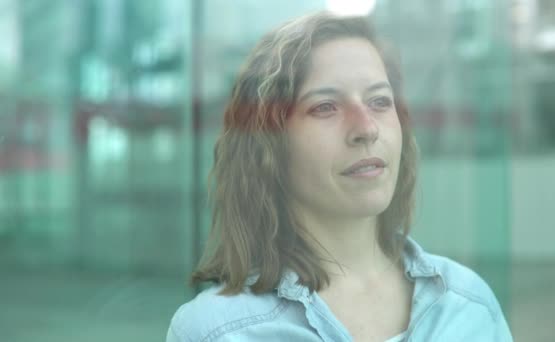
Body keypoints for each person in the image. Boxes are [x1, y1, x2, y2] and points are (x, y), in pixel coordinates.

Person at [166, 11, 513, 342]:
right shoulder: (216, 331)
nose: (366, 129)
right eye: (325, 107)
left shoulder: (469, 304)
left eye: (379, 101)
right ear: (268, 145)